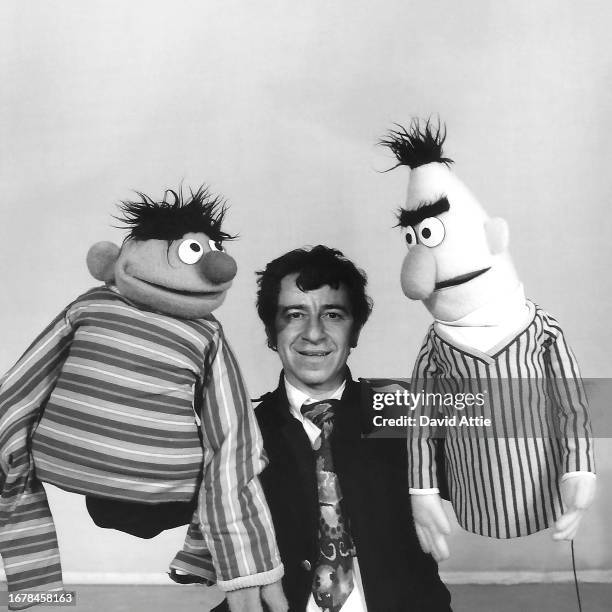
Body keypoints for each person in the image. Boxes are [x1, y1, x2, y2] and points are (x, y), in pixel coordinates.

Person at [214, 244, 452, 612]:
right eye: (294, 314)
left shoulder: (403, 406)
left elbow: (497, 467)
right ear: (270, 330)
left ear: (355, 330)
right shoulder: (239, 429)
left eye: (333, 315)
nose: (314, 333)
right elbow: (139, 510)